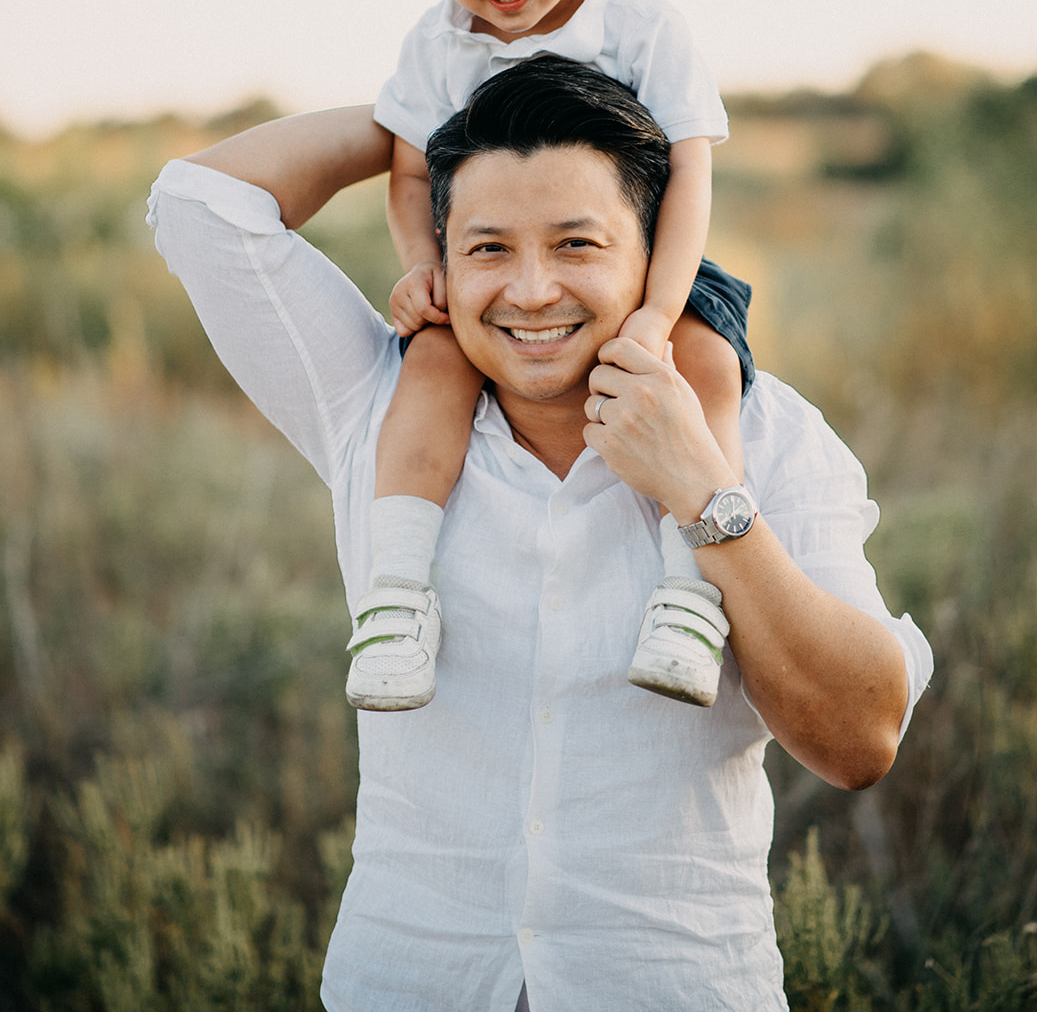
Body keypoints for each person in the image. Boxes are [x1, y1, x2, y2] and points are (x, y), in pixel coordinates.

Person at [148, 55, 933, 1012]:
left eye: (575, 244)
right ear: (440, 260)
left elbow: (862, 738)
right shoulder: (375, 409)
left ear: (655, 261)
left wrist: (703, 491)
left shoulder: (768, 435)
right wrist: (427, 113)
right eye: (487, 249)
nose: (528, 292)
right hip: (412, 981)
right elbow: (200, 204)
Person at [367, 0, 752, 712]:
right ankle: (395, 595)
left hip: (648, 270)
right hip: (497, 274)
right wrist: (425, 268)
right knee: (430, 369)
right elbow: (410, 170)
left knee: (703, 367)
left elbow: (691, 171)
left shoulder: (640, 24)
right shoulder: (434, 44)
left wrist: (661, 310)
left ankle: (690, 596)